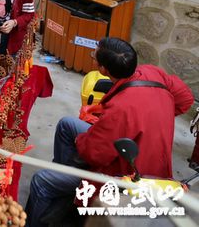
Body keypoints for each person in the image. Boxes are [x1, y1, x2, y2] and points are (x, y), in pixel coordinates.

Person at [25, 38, 194, 227]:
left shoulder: (120, 109)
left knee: (41, 181)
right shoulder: (152, 72)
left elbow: (93, 154)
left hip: (126, 178)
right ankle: (66, 190)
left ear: (103, 69)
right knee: (67, 125)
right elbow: (185, 99)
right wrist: (153, 118)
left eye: (94, 56)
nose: (93, 57)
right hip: (148, 157)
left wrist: (86, 136)